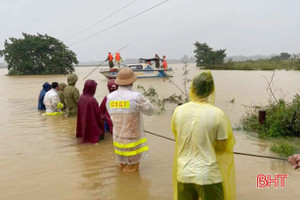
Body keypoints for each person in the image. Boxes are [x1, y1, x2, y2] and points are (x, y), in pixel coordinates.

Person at [171, 70, 236, 200]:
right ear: (212, 90)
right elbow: (222, 147)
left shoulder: (178, 111)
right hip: (209, 176)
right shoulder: (218, 114)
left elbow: (178, 135)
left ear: (193, 89)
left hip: (184, 174)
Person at [106, 68, 155, 172]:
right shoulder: (136, 97)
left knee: (121, 167)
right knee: (131, 170)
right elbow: (150, 110)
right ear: (132, 81)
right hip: (132, 140)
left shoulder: (110, 97)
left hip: (117, 139)